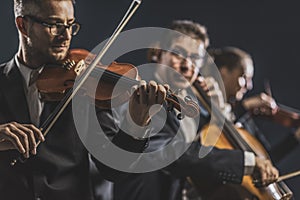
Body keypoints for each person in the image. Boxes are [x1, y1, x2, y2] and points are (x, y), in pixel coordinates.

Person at [0, 0, 167, 199]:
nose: (66, 36)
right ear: (23, 25)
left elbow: (113, 170)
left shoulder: (86, 85)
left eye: (70, 25)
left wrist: (137, 124)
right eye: (54, 25)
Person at [113, 20, 279, 200]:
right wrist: (246, 162)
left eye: (195, 59)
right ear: (159, 53)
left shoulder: (191, 105)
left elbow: (216, 143)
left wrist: (219, 108)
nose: (187, 65)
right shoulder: (141, 92)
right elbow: (170, 152)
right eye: (179, 54)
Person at [208, 46, 300, 163]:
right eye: (243, 77)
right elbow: (215, 127)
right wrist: (246, 106)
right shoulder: (205, 106)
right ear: (223, 72)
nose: (249, 85)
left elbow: (265, 160)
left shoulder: (243, 116)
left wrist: (295, 139)